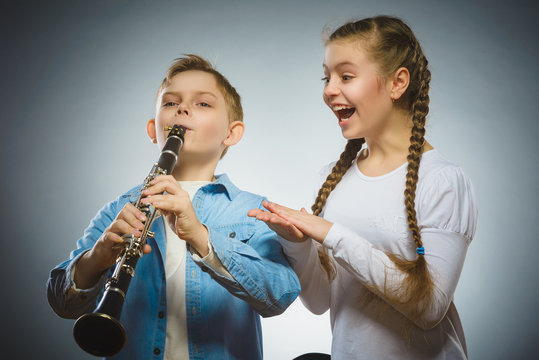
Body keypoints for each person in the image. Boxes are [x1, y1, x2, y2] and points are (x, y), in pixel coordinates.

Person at [249, 16, 478, 359]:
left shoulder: (442, 181)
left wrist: (330, 233)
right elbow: (320, 301)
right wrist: (298, 246)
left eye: (346, 76)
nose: (328, 89)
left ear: (397, 82)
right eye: (326, 77)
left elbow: (429, 309)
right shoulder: (332, 178)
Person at [47, 54, 300, 360]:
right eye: (170, 103)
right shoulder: (120, 209)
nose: (182, 108)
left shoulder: (253, 210)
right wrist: (98, 256)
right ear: (154, 129)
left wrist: (200, 236)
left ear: (231, 133)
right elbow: (62, 303)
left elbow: (280, 295)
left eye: (203, 103)